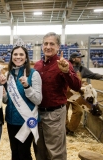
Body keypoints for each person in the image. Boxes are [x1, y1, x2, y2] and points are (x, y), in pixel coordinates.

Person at [34, 32, 81, 160]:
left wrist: (66, 72)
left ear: (58, 47)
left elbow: (77, 86)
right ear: (42, 45)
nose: (48, 46)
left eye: (52, 44)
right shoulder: (37, 65)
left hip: (54, 114)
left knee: (55, 152)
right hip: (37, 113)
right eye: (46, 43)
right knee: (39, 149)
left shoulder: (64, 64)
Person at [0, 45, 42, 160]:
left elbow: (38, 99)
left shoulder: (34, 74)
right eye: (15, 54)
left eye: (21, 54)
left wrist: (27, 86)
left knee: (24, 153)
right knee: (14, 152)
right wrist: (3, 92)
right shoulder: (9, 75)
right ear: (12, 57)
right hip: (11, 120)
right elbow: (6, 101)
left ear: (26, 57)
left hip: (27, 120)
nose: (18, 57)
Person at [66, 52, 103, 135]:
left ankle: (70, 129)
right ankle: (64, 128)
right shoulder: (66, 66)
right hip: (65, 93)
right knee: (63, 112)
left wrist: (101, 76)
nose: (80, 59)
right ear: (73, 59)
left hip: (77, 94)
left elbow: (93, 75)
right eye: (79, 57)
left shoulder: (82, 69)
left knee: (79, 112)